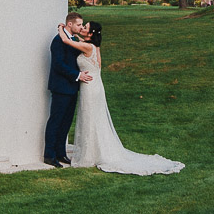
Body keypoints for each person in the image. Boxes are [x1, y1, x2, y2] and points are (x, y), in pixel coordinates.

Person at [59, 21, 185, 175]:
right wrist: (78, 35)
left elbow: (66, 40)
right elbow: (82, 45)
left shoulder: (87, 47)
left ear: (90, 34)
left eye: (85, 27)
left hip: (90, 87)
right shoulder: (94, 46)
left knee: (89, 117)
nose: (82, 28)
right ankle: (93, 149)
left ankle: (90, 154)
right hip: (95, 84)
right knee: (93, 117)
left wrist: (61, 28)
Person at [44, 12, 93, 168]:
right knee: (56, 121)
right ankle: (49, 155)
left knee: (66, 122)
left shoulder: (72, 40)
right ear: (70, 24)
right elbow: (58, 64)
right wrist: (78, 75)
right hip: (60, 87)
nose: (81, 27)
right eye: (79, 24)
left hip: (72, 87)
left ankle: (60, 153)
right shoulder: (58, 40)